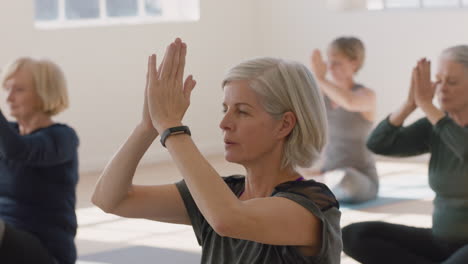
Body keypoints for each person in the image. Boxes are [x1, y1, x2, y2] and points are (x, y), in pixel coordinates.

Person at [92, 38, 342, 263]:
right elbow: (111, 200)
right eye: (226, 109)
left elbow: (228, 220)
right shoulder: (222, 195)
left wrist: (171, 127)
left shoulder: (311, 206)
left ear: (284, 124)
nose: (224, 123)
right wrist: (147, 126)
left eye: (242, 111)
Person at [342, 46, 468, 263]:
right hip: (440, 241)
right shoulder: (434, 126)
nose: (441, 88)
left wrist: (427, 106)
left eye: (452, 82)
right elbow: (379, 144)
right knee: (353, 236)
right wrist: (409, 104)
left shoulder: (438, 122)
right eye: (438, 79)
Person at [0, 57, 79, 264]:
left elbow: (16, 150)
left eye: (19, 90)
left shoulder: (62, 138)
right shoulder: (9, 135)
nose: (8, 98)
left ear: (44, 94)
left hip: (45, 249)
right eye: (7, 89)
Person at [309, 36, 378, 203]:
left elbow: (349, 102)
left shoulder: (366, 95)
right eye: (329, 62)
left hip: (359, 179)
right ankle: (321, 186)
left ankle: (319, 188)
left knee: (346, 179)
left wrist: (320, 79)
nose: (330, 67)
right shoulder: (322, 94)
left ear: (354, 63)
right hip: (327, 173)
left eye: (337, 62)